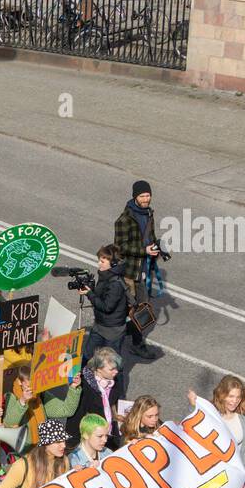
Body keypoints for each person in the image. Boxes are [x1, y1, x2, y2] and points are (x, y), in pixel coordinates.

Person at [112, 180, 165, 360]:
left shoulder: (148, 214)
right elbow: (120, 247)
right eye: (142, 196)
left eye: (148, 195)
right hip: (129, 273)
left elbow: (150, 237)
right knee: (126, 310)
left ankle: (136, 343)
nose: (146, 199)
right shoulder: (124, 220)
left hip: (143, 270)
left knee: (142, 309)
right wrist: (144, 251)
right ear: (135, 196)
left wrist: (156, 249)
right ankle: (112, 340)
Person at [191, 375, 245, 488]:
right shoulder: (211, 416)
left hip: (233, 478)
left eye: (238, 397)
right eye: (231, 396)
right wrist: (194, 406)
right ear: (222, 395)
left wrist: (244, 482)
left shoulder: (244, 419)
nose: (234, 401)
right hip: (211, 478)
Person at [67, 347, 125, 451]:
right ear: (98, 369)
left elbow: (114, 404)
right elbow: (76, 418)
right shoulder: (84, 387)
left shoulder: (114, 380)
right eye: (111, 369)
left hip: (108, 436)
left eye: (117, 368)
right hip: (91, 440)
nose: (116, 372)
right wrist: (74, 445)